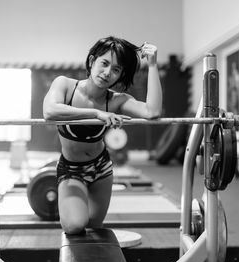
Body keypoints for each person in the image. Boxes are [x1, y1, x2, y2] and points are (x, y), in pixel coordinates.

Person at [43, 36, 162, 234]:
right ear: (92, 61)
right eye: (104, 63)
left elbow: (153, 112)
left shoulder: (116, 100)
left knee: (94, 228)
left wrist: (153, 65)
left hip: (101, 168)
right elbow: (49, 111)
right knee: (74, 226)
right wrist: (96, 113)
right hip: (71, 169)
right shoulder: (65, 85)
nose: (107, 73)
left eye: (116, 70)